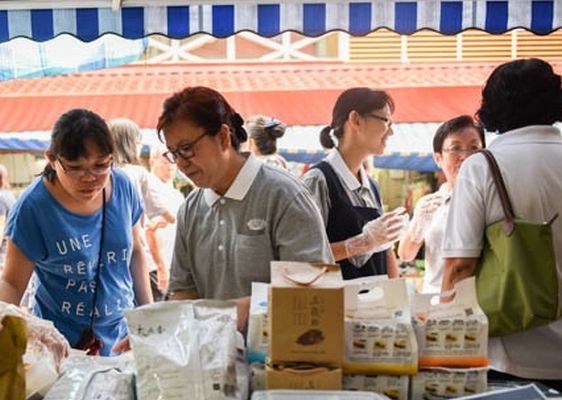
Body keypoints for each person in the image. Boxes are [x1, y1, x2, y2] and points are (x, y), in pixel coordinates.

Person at [157, 86, 334, 330]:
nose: (180, 164)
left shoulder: (283, 195)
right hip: (211, 359)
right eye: (173, 154)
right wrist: (155, 329)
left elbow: (315, 287)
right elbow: (184, 292)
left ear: (222, 137)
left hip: (282, 359)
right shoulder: (191, 208)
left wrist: (249, 307)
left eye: (187, 149)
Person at [441, 58, 562, 389]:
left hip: (511, 354)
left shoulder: (483, 166)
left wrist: (443, 334)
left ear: (493, 107)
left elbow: (460, 266)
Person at [0, 109, 153, 356]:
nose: (90, 178)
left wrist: (147, 320)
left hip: (124, 336)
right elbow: (12, 282)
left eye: (101, 165)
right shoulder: (33, 208)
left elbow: (135, 251)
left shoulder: (123, 186)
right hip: (60, 346)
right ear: (52, 159)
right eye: (75, 168)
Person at [301, 87, 408, 280]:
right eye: (386, 121)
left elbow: (386, 252)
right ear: (356, 120)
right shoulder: (318, 179)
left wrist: (398, 304)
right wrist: (363, 242)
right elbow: (304, 256)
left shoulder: (372, 186)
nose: (391, 131)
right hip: (336, 305)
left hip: (375, 305)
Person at [397, 115, 485, 293]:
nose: (465, 156)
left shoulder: (491, 198)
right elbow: (405, 254)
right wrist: (418, 226)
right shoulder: (430, 203)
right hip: (434, 300)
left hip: (479, 300)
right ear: (438, 158)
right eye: (455, 148)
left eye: (474, 147)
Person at [109, 118, 176, 301]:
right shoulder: (137, 173)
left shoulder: (103, 174)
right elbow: (166, 213)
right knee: (146, 313)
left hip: (109, 260)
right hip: (140, 258)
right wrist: (171, 219)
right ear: (132, 144)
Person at [147, 144, 185, 289]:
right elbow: (150, 230)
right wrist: (161, 267)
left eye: (173, 161)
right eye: (164, 161)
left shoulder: (176, 194)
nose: (170, 166)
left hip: (172, 265)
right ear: (152, 162)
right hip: (154, 267)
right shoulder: (149, 188)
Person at [0, 164, 16, 270]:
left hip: (3, 254)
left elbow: (0, 226)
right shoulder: (9, 195)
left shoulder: (0, 198)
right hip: (11, 251)